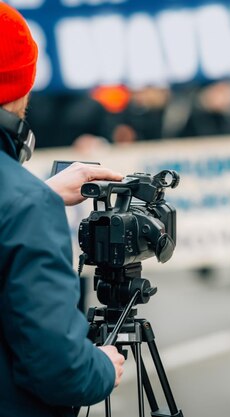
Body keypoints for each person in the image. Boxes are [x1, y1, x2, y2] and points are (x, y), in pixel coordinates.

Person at [0, 4, 125, 416]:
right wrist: (102, 367)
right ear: (19, 90)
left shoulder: (27, 200)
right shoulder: (25, 204)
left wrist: (40, 194)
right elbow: (61, 369)